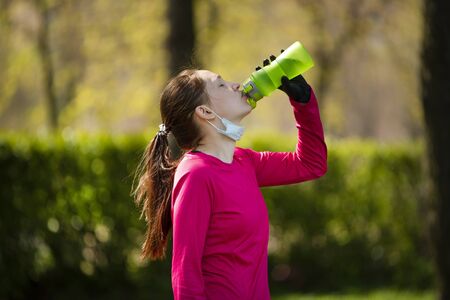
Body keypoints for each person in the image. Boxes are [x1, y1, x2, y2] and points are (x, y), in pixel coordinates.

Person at [132, 58, 327, 299]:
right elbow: (185, 274)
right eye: (221, 85)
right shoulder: (196, 175)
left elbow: (311, 164)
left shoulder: (245, 162)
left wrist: (303, 100)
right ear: (204, 112)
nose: (236, 85)